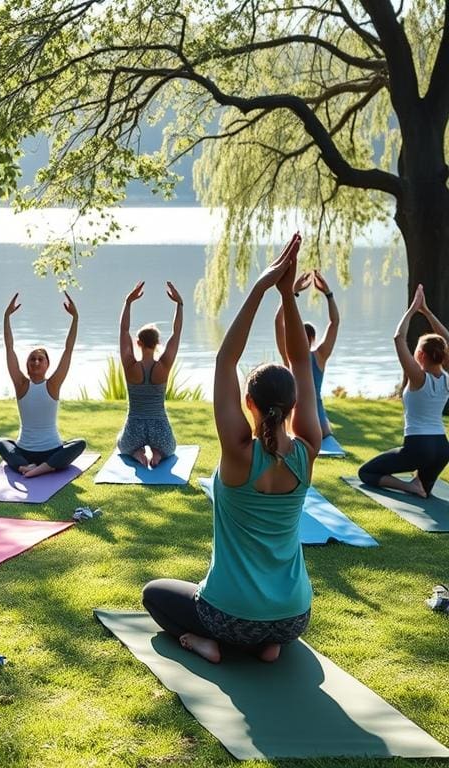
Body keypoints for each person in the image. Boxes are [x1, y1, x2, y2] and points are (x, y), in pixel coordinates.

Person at [142, 234, 321, 664]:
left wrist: (261, 287)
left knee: (155, 594)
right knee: (265, 627)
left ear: (250, 405)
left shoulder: (240, 452)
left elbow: (225, 359)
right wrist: (288, 298)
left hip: (229, 617)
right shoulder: (307, 449)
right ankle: (268, 646)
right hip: (294, 616)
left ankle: (208, 643)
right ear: (294, 405)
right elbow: (301, 360)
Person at [358, 284, 449, 499]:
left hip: (418, 447)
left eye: (417, 350)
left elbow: (398, 338)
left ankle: (411, 487)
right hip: (443, 449)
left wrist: (412, 309)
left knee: (366, 472)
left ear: (422, 356)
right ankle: (418, 485)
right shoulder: (446, 379)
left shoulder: (419, 378)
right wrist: (426, 311)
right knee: (424, 490)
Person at [0, 291, 87, 478]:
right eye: (32, 359)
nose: (36, 362)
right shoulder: (21, 384)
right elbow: (9, 347)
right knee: (1, 442)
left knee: (80, 443)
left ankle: (32, 469)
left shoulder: (53, 384)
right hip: (25, 451)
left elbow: (68, 350)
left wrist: (75, 318)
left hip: (51, 450)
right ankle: (32, 467)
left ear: (47, 364)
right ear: (26, 365)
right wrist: (6, 317)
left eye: (40, 359)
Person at [116, 280, 184, 468]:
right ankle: (158, 453)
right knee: (170, 448)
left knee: (121, 444)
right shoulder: (163, 366)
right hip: (159, 430)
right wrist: (180, 304)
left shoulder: (130, 365)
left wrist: (128, 302)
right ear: (158, 343)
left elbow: (123, 330)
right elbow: (177, 333)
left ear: (138, 343)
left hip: (134, 430)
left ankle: (137, 453)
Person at [275, 269, 339, 437]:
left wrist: (291, 293)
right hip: (319, 425)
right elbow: (334, 322)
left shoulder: (289, 355)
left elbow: (278, 321)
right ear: (312, 338)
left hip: (300, 422)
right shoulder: (319, 356)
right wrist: (328, 294)